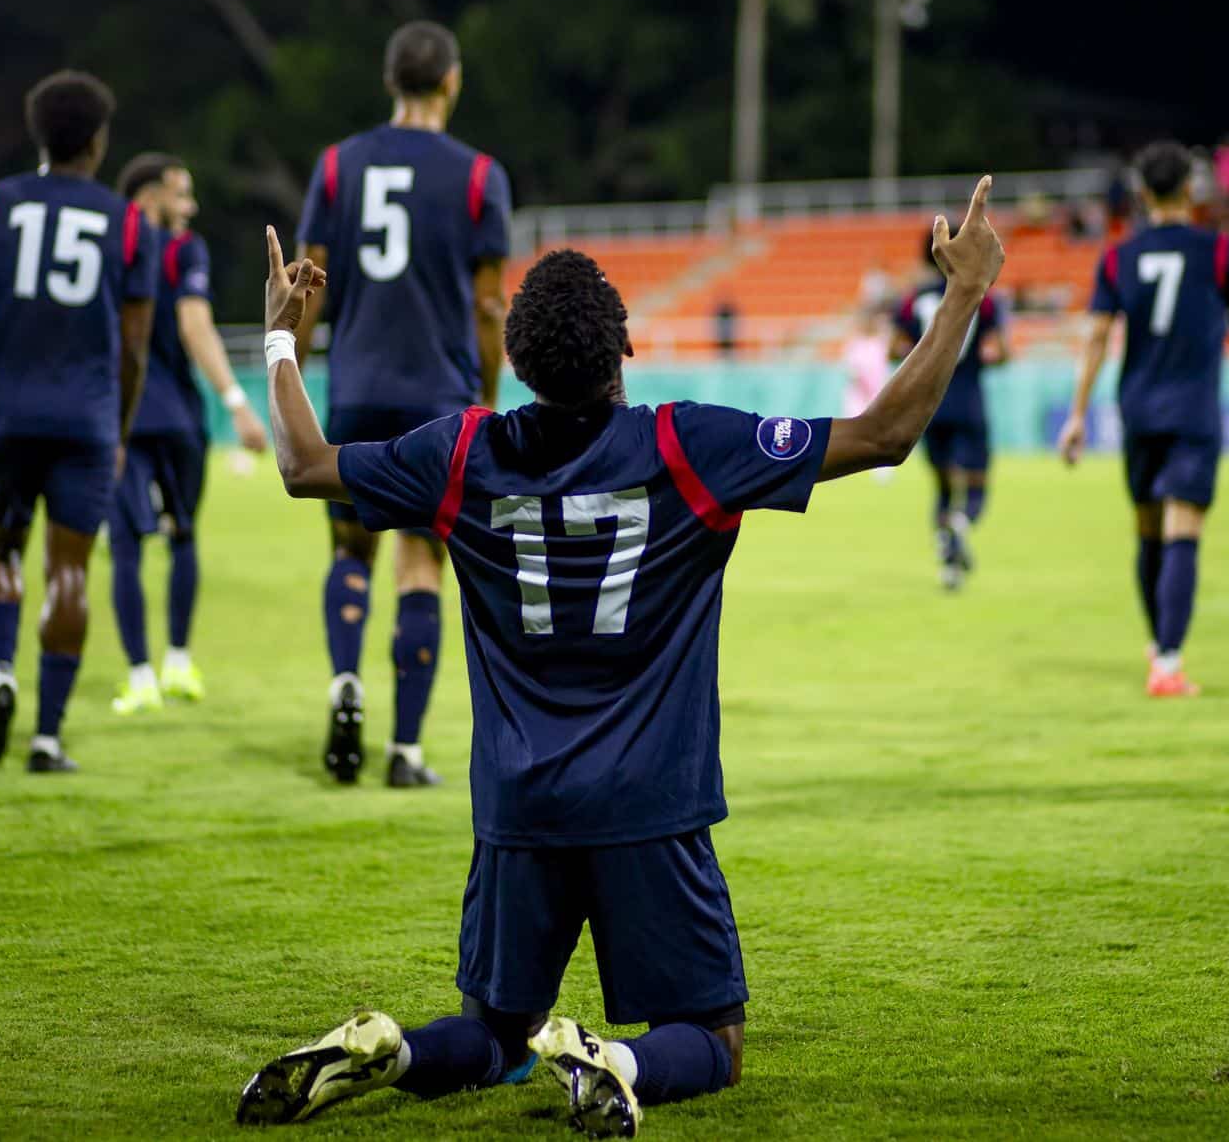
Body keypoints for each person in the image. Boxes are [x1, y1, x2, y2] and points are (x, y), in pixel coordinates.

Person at [236, 177, 1005, 1135]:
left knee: (496, 1035)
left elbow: (306, 466)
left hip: (519, 807)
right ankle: (616, 1059)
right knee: (714, 1042)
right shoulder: (688, 446)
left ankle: (391, 1048)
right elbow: (885, 434)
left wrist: (280, 338)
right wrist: (965, 292)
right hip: (649, 804)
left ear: (515, 362)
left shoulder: (461, 453)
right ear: (625, 346)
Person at [291, 20, 512, 788]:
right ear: (452, 81)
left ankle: (345, 682)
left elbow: (306, 284)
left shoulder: (335, 166)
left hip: (355, 386)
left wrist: (307, 369)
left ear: (390, 81)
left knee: (351, 549)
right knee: (421, 563)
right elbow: (490, 311)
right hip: (439, 399)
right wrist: (484, 397)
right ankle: (406, 750)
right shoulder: (480, 175)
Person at [0, 71, 157, 774]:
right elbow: (136, 348)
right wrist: (116, 432)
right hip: (86, 422)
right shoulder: (129, 222)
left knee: (0, 551)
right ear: (98, 139)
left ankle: (0, 675)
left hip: (10, 417)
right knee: (71, 573)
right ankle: (49, 738)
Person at [1058, 140, 1229, 698]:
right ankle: (1168, 662)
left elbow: (1097, 336)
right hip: (1193, 409)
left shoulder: (1118, 256)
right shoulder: (1218, 251)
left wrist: (1078, 415)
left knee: (1148, 531)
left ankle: (1160, 647)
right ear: (1192, 190)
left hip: (1138, 408)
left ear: (1143, 194)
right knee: (1181, 530)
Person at [105, 153, 268, 715]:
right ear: (148, 197)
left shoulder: (108, 247)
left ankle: (141, 675)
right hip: (176, 420)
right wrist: (237, 402)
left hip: (120, 421)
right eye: (181, 194)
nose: (191, 207)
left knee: (125, 547)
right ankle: (177, 661)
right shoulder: (182, 251)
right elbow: (195, 325)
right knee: (184, 537)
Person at [892, 253, 1011, 589]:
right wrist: (987, 358)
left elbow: (893, 348)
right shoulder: (982, 297)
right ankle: (961, 524)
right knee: (975, 488)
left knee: (943, 488)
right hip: (968, 403)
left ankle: (949, 566)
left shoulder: (913, 298)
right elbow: (998, 351)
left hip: (927, 408)